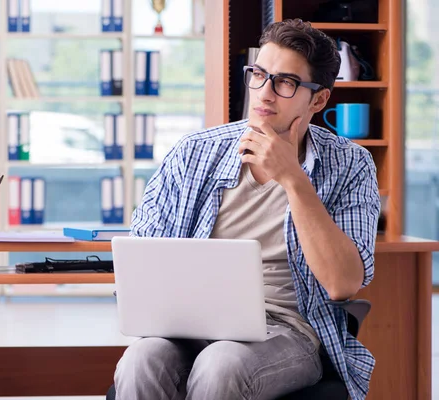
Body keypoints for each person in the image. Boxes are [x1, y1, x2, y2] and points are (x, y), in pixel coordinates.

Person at [113, 18, 380, 400]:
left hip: (288, 332)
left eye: (285, 82)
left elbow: (343, 284)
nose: (264, 93)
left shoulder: (350, 165)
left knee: (221, 363)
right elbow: (145, 260)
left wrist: (294, 180)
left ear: (318, 100)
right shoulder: (195, 153)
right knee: (142, 357)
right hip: (186, 325)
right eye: (259, 74)